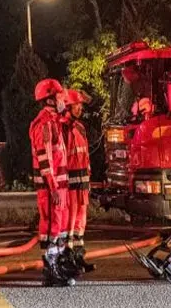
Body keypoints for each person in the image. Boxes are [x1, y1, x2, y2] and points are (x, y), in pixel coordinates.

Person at [29, 78, 72, 287]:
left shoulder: (53, 120)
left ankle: (57, 267)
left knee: (59, 227)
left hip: (59, 187)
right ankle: (51, 268)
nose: (63, 98)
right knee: (51, 227)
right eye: (60, 94)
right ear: (50, 99)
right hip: (50, 188)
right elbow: (45, 158)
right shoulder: (44, 124)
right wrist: (54, 187)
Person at [61, 89, 95, 277]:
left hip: (82, 181)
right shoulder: (63, 128)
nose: (80, 108)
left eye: (81, 104)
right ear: (68, 106)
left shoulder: (80, 127)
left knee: (81, 220)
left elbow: (85, 154)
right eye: (77, 104)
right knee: (70, 219)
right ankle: (68, 255)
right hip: (70, 182)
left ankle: (79, 254)